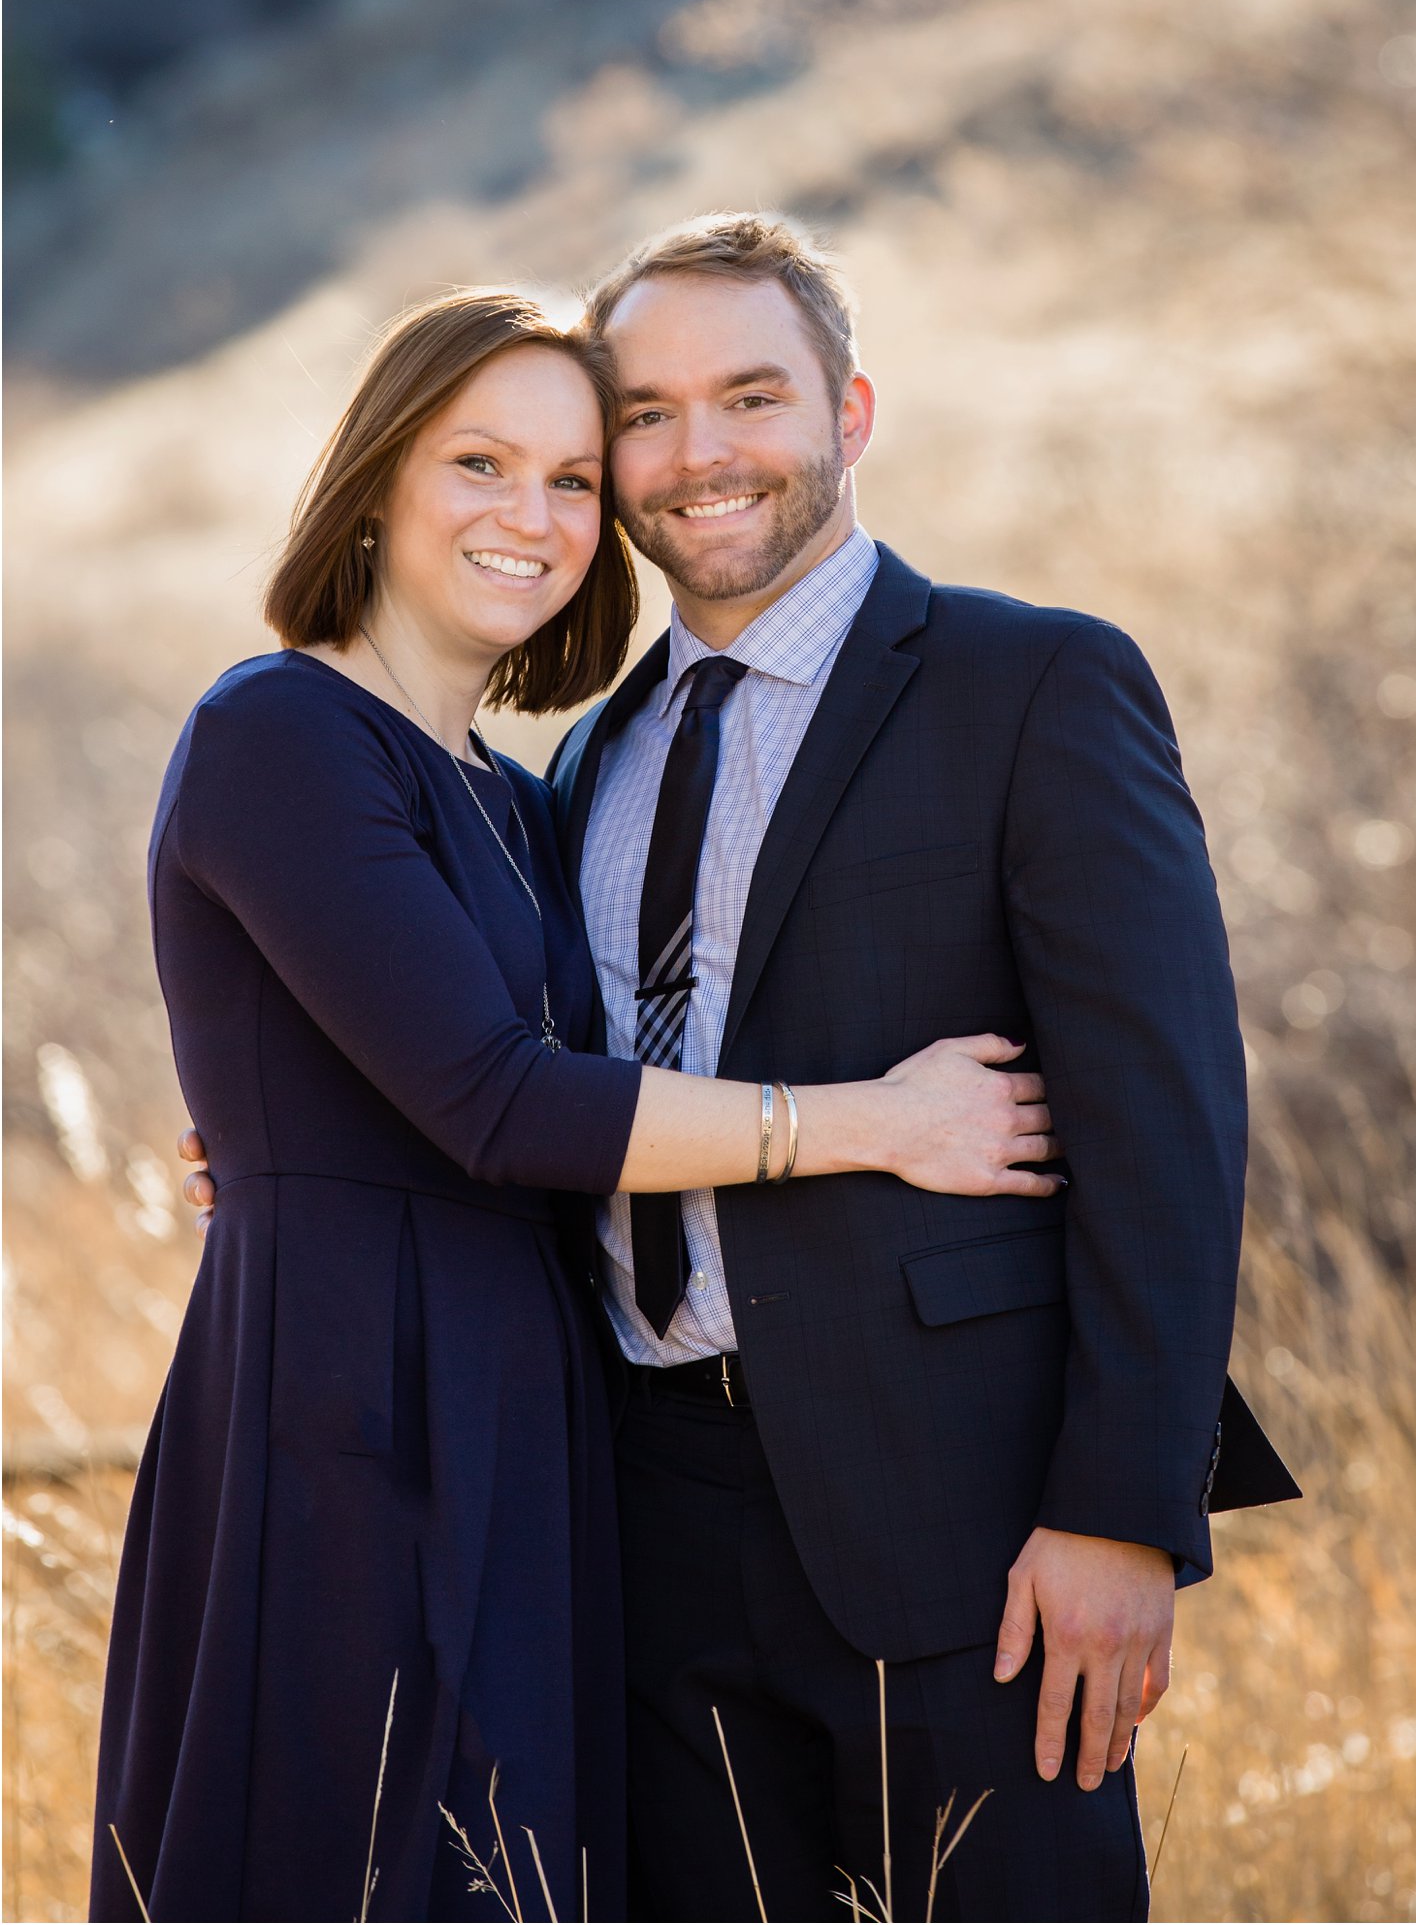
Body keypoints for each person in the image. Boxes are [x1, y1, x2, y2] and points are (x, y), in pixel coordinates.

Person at [98, 288, 1055, 1925]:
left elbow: (521, 1075)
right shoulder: (278, 731)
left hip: (533, 1394)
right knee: (357, 1857)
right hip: (353, 1396)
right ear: (376, 480)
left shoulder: (530, 792)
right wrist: (874, 1121)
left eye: (567, 481)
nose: (527, 516)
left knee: (523, 1867)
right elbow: (496, 1097)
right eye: (479, 462)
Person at [547, 213, 1298, 1924]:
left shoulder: (1030, 681)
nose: (698, 453)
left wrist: (1122, 1515)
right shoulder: (591, 755)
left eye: (750, 396)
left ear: (851, 414)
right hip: (649, 1519)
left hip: (969, 1531)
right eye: (647, 415)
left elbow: (1165, 1127)